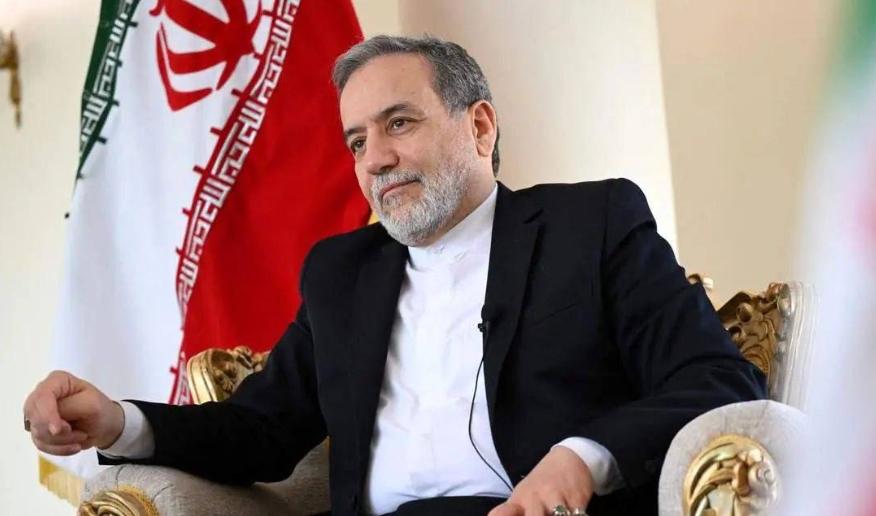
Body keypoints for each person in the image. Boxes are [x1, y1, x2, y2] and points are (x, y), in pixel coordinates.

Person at [23, 35, 765, 516]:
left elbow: (717, 378)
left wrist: (582, 458)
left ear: (479, 126)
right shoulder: (341, 273)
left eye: (399, 123)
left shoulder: (590, 226)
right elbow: (261, 431)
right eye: (356, 140)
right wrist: (119, 422)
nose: (374, 159)